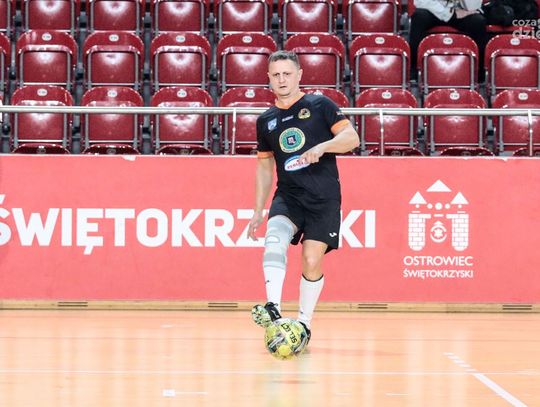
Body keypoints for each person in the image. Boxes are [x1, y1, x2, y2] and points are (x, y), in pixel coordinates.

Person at [247, 50, 360, 350]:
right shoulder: (266, 120)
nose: (282, 80)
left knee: (311, 261)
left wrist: (324, 147)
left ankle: (304, 324)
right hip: (289, 196)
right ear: (268, 79)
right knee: (274, 238)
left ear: (299, 75)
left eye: (287, 73)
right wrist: (258, 210)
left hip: (324, 198)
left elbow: (352, 139)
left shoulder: (320, 105)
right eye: (276, 75)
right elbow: (264, 167)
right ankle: (273, 307)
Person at [409, 0, 488, 82]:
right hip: (434, 10)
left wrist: (464, 10)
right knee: (419, 16)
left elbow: (473, 7)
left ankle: (478, 73)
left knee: (478, 21)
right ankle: (414, 71)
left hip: (460, 11)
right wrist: (450, 13)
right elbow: (420, 2)